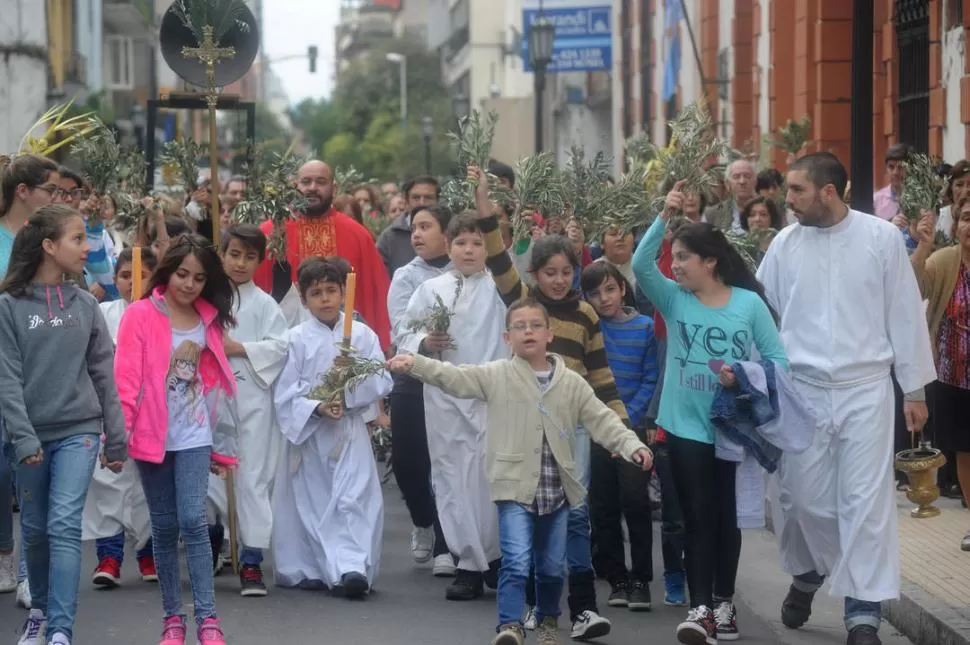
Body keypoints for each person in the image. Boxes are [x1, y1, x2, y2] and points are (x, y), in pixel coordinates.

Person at [386, 297, 654, 645]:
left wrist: (633, 446)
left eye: (536, 325)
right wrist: (416, 363)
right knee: (515, 560)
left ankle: (547, 621)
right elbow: (455, 377)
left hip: (558, 493)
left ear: (550, 335)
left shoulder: (571, 383)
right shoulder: (497, 374)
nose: (528, 331)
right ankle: (509, 625)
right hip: (513, 489)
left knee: (551, 567)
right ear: (506, 338)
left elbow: (602, 419)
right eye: (519, 326)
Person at [756, 152, 935, 645]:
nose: (786, 201)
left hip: (866, 389)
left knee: (865, 502)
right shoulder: (784, 246)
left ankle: (863, 613)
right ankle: (810, 573)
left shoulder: (880, 240)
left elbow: (904, 314)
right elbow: (761, 316)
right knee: (803, 502)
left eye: (796, 191)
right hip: (802, 391)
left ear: (828, 192)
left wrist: (913, 388)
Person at [470, 166, 624, 641]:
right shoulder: (524, 301)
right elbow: (497, 259)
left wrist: (620, 427)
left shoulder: (584, 312)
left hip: (573, 425)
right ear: (535, 274)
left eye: (566, 272)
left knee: (575, 515)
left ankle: (581, 608)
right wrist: (485, 209)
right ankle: (536, 607)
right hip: (527, 426)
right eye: (549, 273)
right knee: (536, 519)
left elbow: (600, 374)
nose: (559, 281)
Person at [633, 181, 790, 645]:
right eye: (675, 257)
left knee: (725, 518)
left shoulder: (749, 305)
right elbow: (642, 264)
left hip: (733, 429)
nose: (675, 265)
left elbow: (778, 362)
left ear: (710, 262)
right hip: (684, 428)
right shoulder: (674, 300)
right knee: (698, 516)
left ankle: (725, 604)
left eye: (683, 258)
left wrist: (742, 374)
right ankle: (700, 609)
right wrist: (666, 213)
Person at [0, 203, 128, 645]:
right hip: (29, 436)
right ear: (49, 246)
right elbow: (7, 377)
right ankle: (38, 612)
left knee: (64, 525)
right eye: (77, 239)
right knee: (33, 531)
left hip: (80, 431)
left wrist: (117, 437)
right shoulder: (8, 306)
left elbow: (103, 374)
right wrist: (21, 436)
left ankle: (59, 629)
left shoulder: (86, 305)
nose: (85, 247)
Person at [115, 233, 239, 645]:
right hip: (150, 437)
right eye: (182, 274)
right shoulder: (139, 314)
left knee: (193, 520)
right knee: (164, 527)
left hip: (194, 435)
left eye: (199, 278)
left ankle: (208, 619)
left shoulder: (208, 318)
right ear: (168, 272)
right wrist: (118, 436)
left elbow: (216, 381)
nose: (189, 284)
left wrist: (221, 442)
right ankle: (173, 618)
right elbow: (126, 380)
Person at [398, 212, 507, 601]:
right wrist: (426, 342)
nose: (469, 250)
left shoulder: (501, 287)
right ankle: (466, 562)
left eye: (478, 242)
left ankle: (495, 558)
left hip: (492, 392)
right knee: (451, 475)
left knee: (489, 474)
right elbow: (404, 333)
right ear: (448, 245)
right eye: (461, 242)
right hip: (444, 395)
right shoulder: (432, 290)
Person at [272, 257, 393, 598]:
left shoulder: (362, 335)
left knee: (353, 498)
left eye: (331, 291)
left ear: (343, 293)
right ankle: (309, 567)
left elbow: (381, 380)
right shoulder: (294, 339)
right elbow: (285, 391)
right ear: (303, 296)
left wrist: (350, 384)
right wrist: (318, 406)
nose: (324, 299)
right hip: (311, 437)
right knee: (312, 501)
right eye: (316, 293)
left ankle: (351, 567)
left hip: (349, 432)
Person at [205, 225, 288, 596]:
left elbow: (280, 348)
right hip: (207, 400)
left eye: (249, 256)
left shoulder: (266, 304)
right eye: (234, 254)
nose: (240, 263)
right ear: (221, 253)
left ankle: (251, 560)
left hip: (251, 400)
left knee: (251, 478)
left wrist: (237, 346)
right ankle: (211, 544)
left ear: (260, 260)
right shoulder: (206, 298)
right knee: (209, 477)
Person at [579, 261, 658, 611]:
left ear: (623, 289)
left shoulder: (644, 327)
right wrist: (603, 420)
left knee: (636, 501)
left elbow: (650, 378)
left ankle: (641, 578)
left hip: (633, 428)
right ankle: (617, 578)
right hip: (596, 427)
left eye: (610, 289)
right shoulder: (591, 327)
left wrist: (628, 423)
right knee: (603, 505)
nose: (604, 298)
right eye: (594, 293)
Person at [0, 153, 60, 603]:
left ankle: (24, 571)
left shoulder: (47, 238)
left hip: (35, 362)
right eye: (49, 190)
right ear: (24, 192)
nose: (55, 198)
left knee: (25, 462)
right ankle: (5, 550)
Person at [82, 247, 159, 589]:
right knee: (108, 482)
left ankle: (148, 554)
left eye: (143, 275)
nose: (134, 282)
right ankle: (109, 556)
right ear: (115, 280)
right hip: (110, 408)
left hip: (151, 410)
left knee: (147, 485)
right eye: (127, 275)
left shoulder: (163, 313)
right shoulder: (102, 312)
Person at [252, 160, 390, 348]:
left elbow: (376, 296)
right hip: (286, 344)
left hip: (348, 345)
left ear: (334, 188)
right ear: (295, 186)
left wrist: (382, 344)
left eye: (321, 181)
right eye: (306, 182)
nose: (313, 187)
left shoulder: (358, 235)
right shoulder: (270, 233)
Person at [386, 205, 454, 576]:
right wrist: (424, 341)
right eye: (414, 228)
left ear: (447, 233)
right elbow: (399, 329)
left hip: (457, 377)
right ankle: (423, 518)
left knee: (447, 460)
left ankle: (446, 544)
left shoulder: (465, 272)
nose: (416, 234)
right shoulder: (406, 276)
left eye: (426, 227)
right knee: (408, 461)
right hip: (413, 374)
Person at [910, 197, 970, 549]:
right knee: (965, 451)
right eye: (964, 218)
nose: (968, 226)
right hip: (954, 377)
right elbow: (913, 287)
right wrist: (922, 247)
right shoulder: (946, 261)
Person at [377, 175, 441, 277]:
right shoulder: (389, 237)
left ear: (438, 201)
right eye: (416, 198)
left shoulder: (449, 233)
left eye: (428, 197)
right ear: (406, 201)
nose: (422, 202)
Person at [704, 160, 757, 234]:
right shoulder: (712, 213)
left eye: (747, 176)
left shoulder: (767, 210)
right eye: (736, 177)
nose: (742, 181)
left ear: (755, 182)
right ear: (727, 184)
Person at [873, 143, 910, 221]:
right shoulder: (877, 200)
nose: (895, 172)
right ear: (886, 169)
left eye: (901, 167)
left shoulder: (921, 200)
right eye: (891, 167)